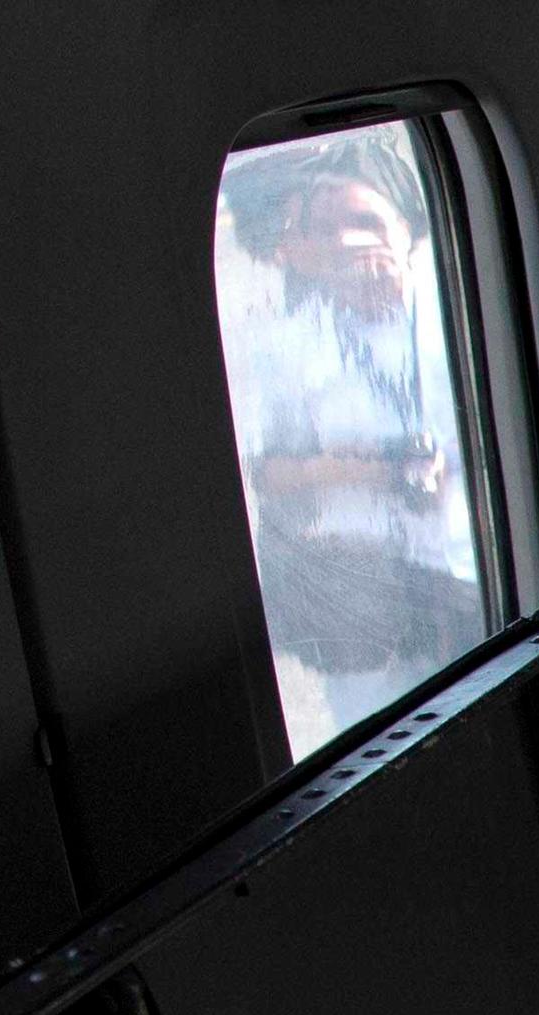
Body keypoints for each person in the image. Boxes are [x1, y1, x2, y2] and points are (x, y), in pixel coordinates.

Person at [212, 134, 493, 750]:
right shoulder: (289, 346)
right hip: (364, 602)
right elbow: (267, 475)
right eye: (326, 230)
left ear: (406, 230)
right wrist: (374, 473)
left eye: (365, 222)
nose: (348, 242)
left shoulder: (467, 313)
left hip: (474, 583)